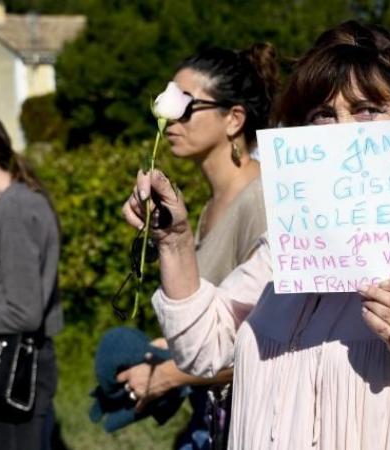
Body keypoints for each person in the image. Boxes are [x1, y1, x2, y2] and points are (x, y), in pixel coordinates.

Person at [123, 21, 390, 449]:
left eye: (367, 110)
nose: (342, 131)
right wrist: (174, 242)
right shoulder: (292, 238)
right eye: (322, 114)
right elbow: (201, 350)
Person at [114, 43, 276, 450]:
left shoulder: (262, 199)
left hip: (256, 423)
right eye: (165, 105)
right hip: (214, 417)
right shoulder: (206, 207)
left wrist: (169, 376)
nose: (170, 120)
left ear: (233, 118)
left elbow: (268, 341)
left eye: (186, 106)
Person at [0, 112, 62, 450]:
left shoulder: (15, 209)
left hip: (21, 370)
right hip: (13, 370)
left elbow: (25, 313)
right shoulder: (18, 201)